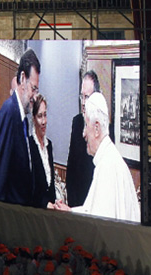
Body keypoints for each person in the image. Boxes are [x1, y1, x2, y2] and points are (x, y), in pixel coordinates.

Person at [53, 93, 141, 222]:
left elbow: (99, 227)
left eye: (86, 126)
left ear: (96, 128)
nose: (83, 134)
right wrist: (70, 211)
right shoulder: (108, 159)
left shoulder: (107, 167)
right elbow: (92, 210)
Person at [0, 49, 40, 206]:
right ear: (22, 78)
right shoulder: (9, 111)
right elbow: (0, 172)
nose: (35, 96)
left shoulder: (24, 120)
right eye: (33, 88)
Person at [66, 71, 99, 207]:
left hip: (96, 202)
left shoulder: (103, 128)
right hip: (77, 202)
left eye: (87, 97)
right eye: (82, 97)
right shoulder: (77, 122)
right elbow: (71, 167)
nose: (84, 103)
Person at [29, 94, 56, 208]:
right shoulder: (29, 146)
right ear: (33, 118)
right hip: (36, 213)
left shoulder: (49, 145)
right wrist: (45, 204)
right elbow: (29, 189)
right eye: (40, 116)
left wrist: (56, 203)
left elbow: (51, 185)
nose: (44, 121)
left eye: (45, 115)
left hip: (51, 213)